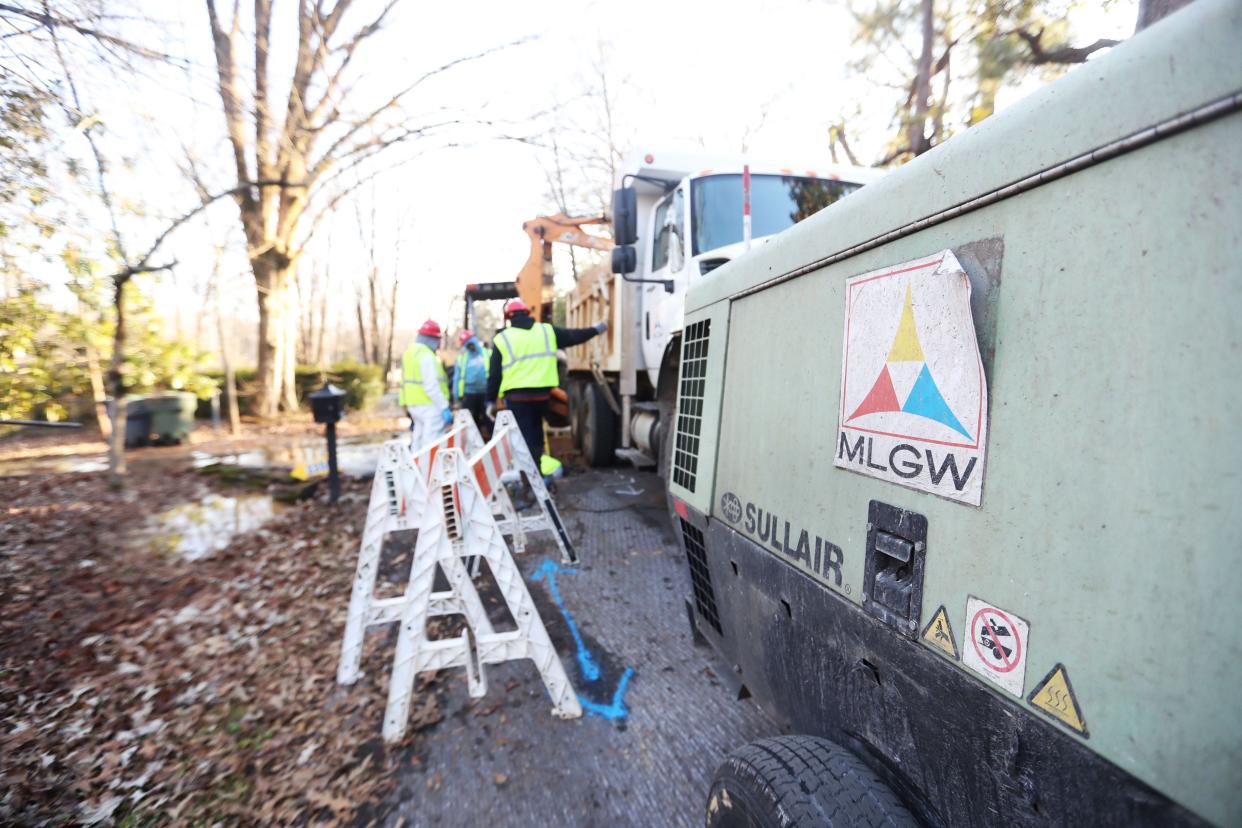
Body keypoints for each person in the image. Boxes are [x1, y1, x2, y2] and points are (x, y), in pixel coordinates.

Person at [487, 298, 606, 476]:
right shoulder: (546, 331)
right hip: (542, 397)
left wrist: (490, 400)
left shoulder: (502, 339)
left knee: (523, 438)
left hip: (517, 399)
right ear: (527, 313)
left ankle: (529, 480)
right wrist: (596, 330)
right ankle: (538, 473)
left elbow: (495, 375)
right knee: (536, 434)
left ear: (508, 318)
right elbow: (574, 336)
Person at [400, 319, 450, 449]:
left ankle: (415, 467)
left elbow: (403, 383)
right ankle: (430, 469)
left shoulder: (409, 354)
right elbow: (431, 387)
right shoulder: (427, 356)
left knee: (418, 438)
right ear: (432, 339)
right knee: (432, 443)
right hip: (430, 406)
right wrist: (444, 407)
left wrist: (404, 403)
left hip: (414, 405)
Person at [453, 329, 490, 433]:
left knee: (488, 419)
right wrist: (456, 397)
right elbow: (457, 378)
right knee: (470, 422)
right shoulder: (462, 358)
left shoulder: (487, 353)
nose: (470, 346)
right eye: (467, 344)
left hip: (485, 392)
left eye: (471, 343)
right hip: (468, 394)